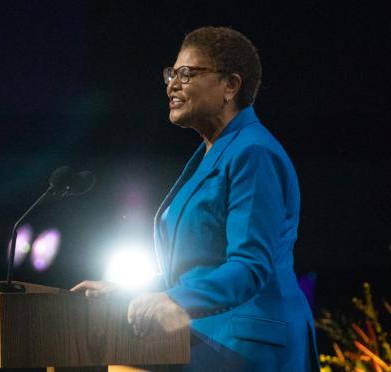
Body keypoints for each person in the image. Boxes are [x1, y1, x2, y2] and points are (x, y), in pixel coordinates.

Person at [72, 26, 319, 371]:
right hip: (210, 341)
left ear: (230, 86)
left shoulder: (254, 152)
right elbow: (196, 268)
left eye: (187, 74)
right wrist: (128, 295)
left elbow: (250, 265)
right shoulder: (214, 153)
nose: (173, 83)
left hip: (250, 347)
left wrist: (176, 299)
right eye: (172, 73)